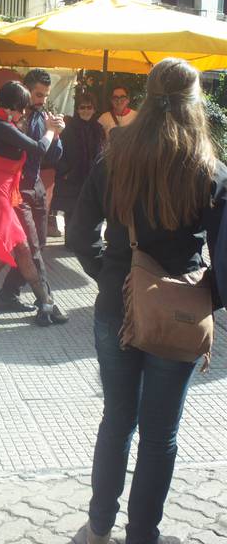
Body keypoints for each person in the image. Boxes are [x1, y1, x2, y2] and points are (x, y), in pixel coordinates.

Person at [67, 58, 227, 544]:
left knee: (117, 420)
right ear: (193, 102)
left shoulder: (114, 155)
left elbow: (77, 233)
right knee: (159, 435)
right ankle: (143, 536)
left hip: (116, 303)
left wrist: (108, 272)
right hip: (178, 311)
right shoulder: (209, 168)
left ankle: (98, 528)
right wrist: (206, 297)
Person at [0, 68, 69, 325]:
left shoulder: (42, 116)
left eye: (45, 95)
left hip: (33, 187)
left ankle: (7, 295)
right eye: (38, 94)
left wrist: (55, 134)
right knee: (30, 249)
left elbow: (52, 156)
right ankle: (46, 303)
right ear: (25, 93)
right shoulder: (7, 115)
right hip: (13, 194)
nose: (41, 100)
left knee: (33, 248)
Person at [52, 92, 104, 249]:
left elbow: (101, 152)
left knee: (92, 211)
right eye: (82, 107)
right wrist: (66, 172)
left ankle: (88, 242)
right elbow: (60, 152)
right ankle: (71, 243)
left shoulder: (98, 128)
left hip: (92, 177)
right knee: (72, 211)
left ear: (94, 109)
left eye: (89, 107)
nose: (86, 111)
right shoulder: (69, 128)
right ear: (77, 109)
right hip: (73, 177)